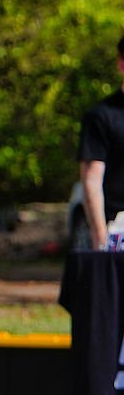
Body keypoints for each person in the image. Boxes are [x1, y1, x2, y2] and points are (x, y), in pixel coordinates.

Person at [77, 33, 124, 249]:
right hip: (118, 230)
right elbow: (91, 180)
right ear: (121, 65)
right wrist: (100, 237)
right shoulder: (102, 116)